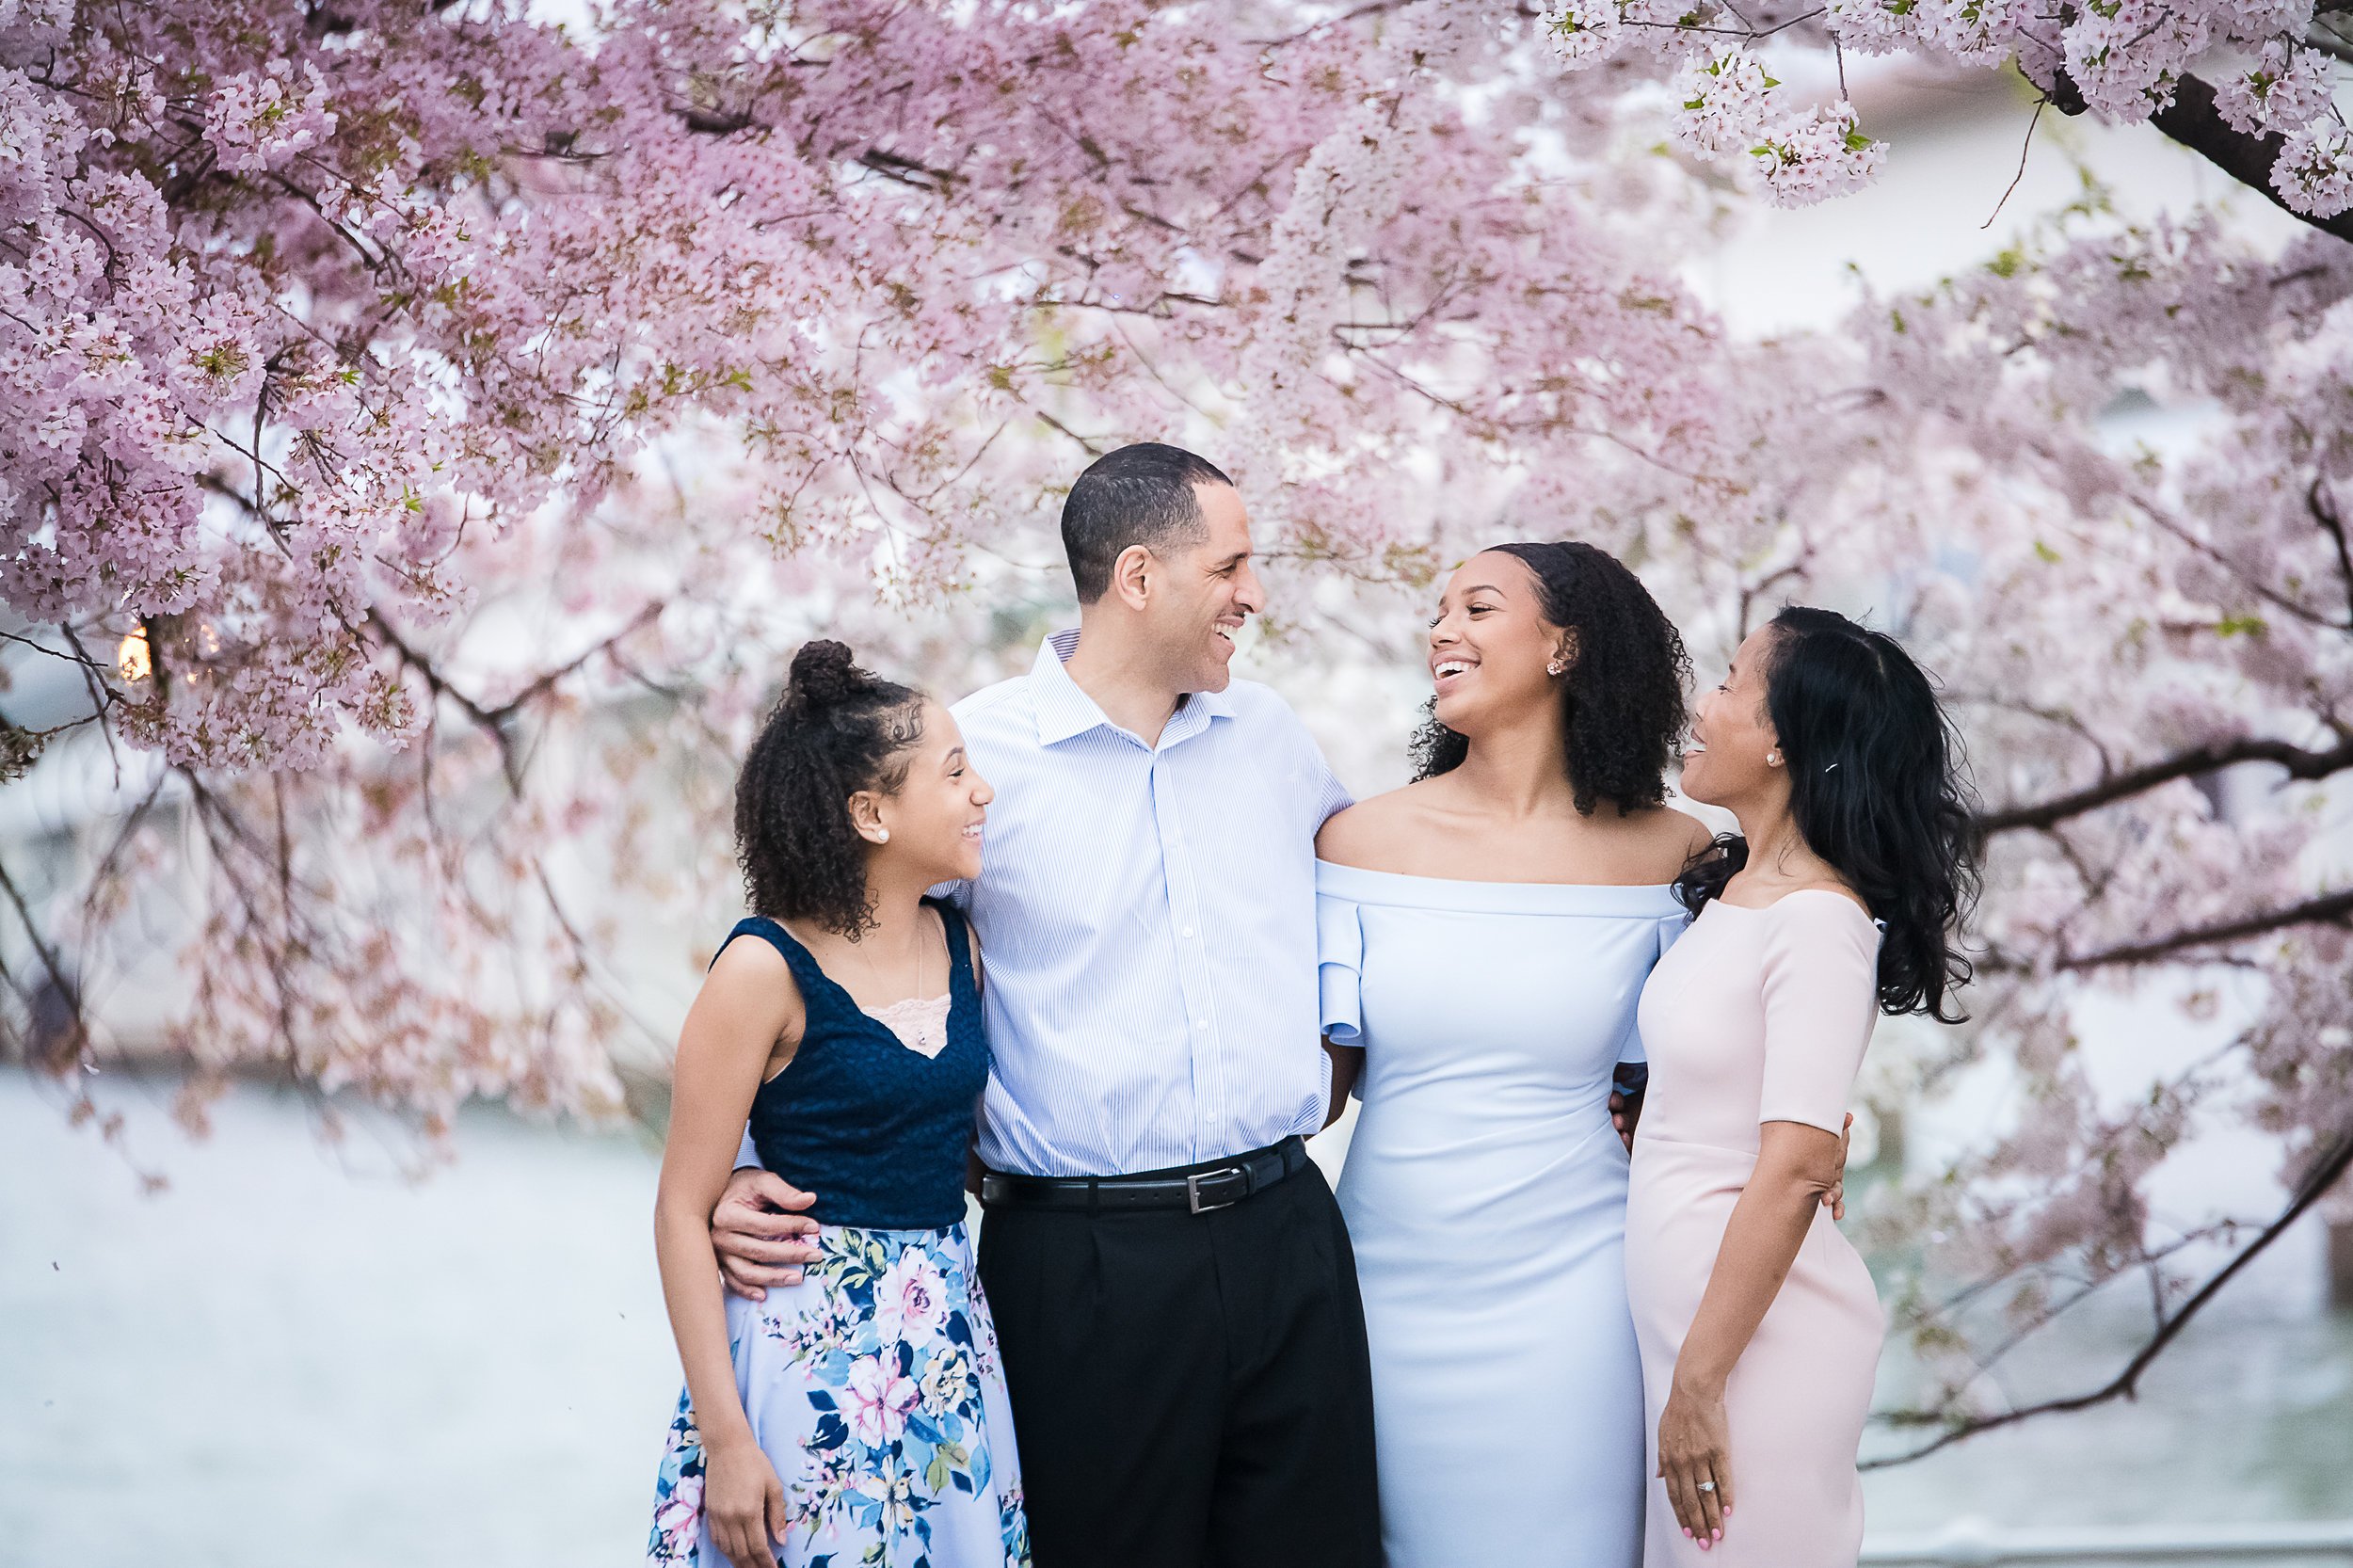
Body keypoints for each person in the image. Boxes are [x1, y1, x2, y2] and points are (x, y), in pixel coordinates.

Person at [709, 444, 1380, 1568]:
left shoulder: (1271, 737)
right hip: (1084, 1268)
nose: (1253, 595)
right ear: (1137, 577)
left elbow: (1367, 889)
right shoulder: (973, 761)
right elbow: (822, 939)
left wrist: (1342, 1060)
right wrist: (736, 1161)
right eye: (1231, 566)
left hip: (1290, 1238)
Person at [1314, 541, 1712, 1567]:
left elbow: (1711, 1062)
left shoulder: (1677, 855)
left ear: (1565, 645)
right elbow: (1307, 1094)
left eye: (1476, 608)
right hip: (1382, 1281)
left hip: (1576, 1285)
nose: (1441, 630)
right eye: (1438, 610)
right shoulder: (1356, 843)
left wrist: (1812, 1133)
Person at [646, 641, 1029, 1568]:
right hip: (803, 1355)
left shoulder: (960, 945)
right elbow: (678, 1212)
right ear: (871, 812)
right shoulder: (759, 969)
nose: (983, 790)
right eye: (954, 771)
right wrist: (729, 1443)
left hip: (947, 1346)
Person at [1627, 606, 1978, 1567]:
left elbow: (1792, 1164)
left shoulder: (1819, 920)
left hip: (1750, 1350)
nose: (1702, 704)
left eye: (1731, 681)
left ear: (1783, 738)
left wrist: (1700, 1383)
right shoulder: (1738, 890)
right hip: (1697, 1333)